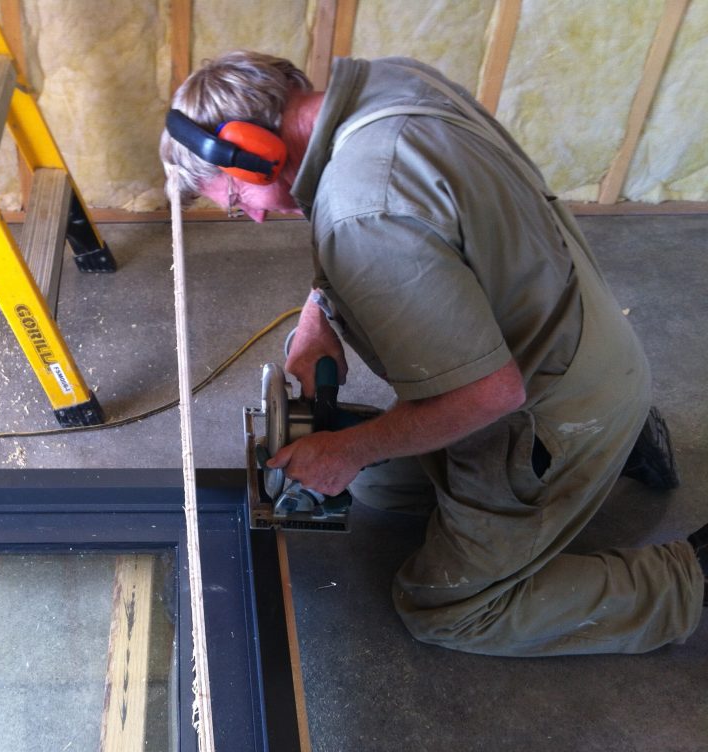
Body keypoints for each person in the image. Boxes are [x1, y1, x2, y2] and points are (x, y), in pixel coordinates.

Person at [161, 50, 707, 656]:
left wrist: (350, 447)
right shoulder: (382, 87)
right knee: (378, 489)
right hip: (589, 341)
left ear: (254, 147)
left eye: (239, 201)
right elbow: (410, 222)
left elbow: (491, 393)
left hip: (545, 414)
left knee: (448, 609)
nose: (255, 219)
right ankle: (614, 441)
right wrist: (319, 316)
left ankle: (689, 575)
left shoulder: (363, 208)